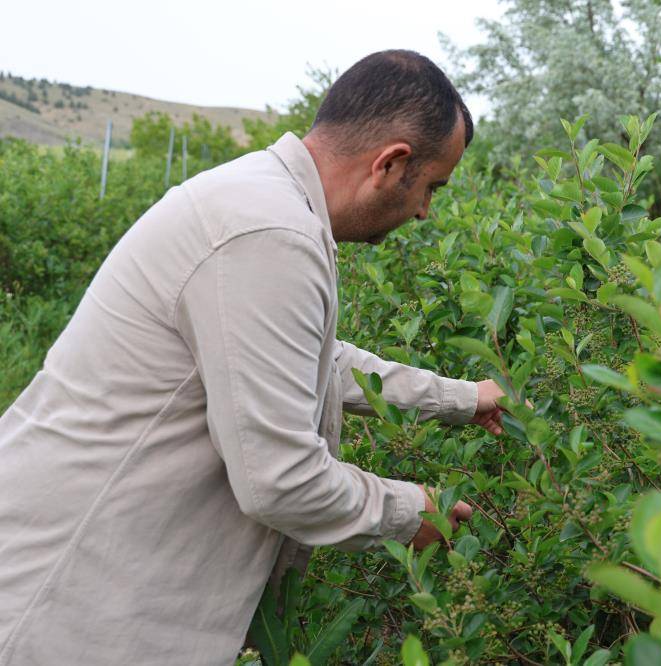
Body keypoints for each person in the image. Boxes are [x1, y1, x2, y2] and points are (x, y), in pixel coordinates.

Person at [0, 50, 509, 664]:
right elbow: (280, 481)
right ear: (391, 162)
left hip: (82, 579)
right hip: (64, 601)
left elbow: (313, 358)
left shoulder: (265, 203)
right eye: (431, 186)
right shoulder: (269, 235)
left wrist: (463, 398)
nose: (426, 210)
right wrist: (410, 514)